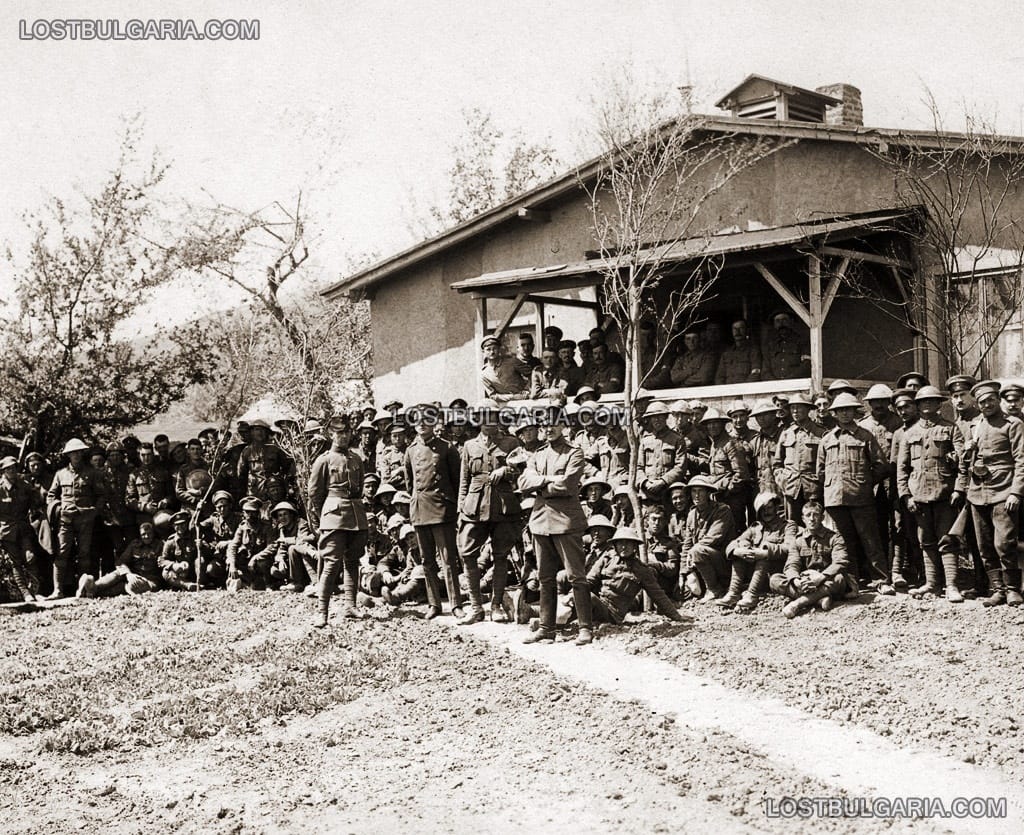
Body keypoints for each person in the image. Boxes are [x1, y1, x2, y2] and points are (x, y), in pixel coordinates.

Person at [518, 408, 593, 645]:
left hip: (565, 521)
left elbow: (569, 486)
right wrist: (549, 481)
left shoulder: (574, 452)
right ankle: (546, 627)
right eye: (544, 425)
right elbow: (523, 482)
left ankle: (585, 628)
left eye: (553, 424)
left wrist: (539, 486)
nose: (548, 429)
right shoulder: (538, 454)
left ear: (564, 426)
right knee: (545, 577)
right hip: (540, 521)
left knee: (575, 576)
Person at [817, 392, 893, 595]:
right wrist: (833, 486)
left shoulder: (865, 435)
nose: (844, 414)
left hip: (860, 496)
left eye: (848, 409)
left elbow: (880, 466)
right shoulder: (826, 440)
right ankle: (852, 583)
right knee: (844, 543)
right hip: (835, 499)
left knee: (870, 540)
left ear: (854, 412)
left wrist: (864, 483)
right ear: (834, 413)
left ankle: (881, 580)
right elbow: (821, 472)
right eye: (840, 410)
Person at [957, 380, 1024, 607]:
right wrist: (967, 452)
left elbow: (1021, 461)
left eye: (990, 400)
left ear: (998, 400)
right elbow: (967, 462)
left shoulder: (1012, 424)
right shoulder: (975, 426)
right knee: (984, 544)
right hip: (978, 492)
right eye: (982, 402)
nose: (987, 405)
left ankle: (1013, 589)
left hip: (1004, 489)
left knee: (1004, 542)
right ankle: (998, 589)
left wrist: (1016, 492)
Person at [896, 386, 964, 602]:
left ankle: (951, 586)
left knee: (947, 540)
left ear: (938, 405)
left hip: (944, 494)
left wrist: (959, 489)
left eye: (931, 402)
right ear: (917, 406)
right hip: (919, 496)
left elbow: (963, 463)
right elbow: (902, 469)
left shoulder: (951, 429)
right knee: (925, 540)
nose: (927, 406)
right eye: (923, 402)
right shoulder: (909, 433)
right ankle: (932, 584)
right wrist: (906, 496)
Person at [456, 400, 522, 624]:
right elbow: (464, 480)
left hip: (503, 506)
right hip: (474, 506)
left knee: (500, 555)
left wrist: (506, 470)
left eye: (493, 415)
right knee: (467, 553)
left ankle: (496, 605)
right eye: (484, 415)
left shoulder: (511, 442)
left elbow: (523, 472)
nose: (489, 420)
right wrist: (460, 508)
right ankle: (476, 607)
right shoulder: (469, 446)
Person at [308, 416, 370, 626]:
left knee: (353, 562)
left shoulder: (356, 459)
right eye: (339, 433)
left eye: (346, 432)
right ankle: (321, 610)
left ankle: (350, 606)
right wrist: (323, 518)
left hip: (356, 516)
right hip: (333, 518)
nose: (343, 437)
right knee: (331, 564)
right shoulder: (323, 460)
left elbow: (359, 488)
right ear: (330, 434)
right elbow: (315, 494)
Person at [404, 405, 463, 619]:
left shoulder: (447, 448)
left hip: (441, 508)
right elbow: (410, 483)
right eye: (418, 420)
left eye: (426, 420)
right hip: (420, 510)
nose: (422, 424)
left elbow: (457, 482)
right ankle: (434, 604)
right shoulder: (410, 451)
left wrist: (454, 508)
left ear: (434, 422)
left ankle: (455, 603)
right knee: (427, 560)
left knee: (448, 559)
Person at [584, 527, 687, 625]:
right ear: (615, 545)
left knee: (587, 597)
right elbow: (589, 580)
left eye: (628, 543)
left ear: (634, 546)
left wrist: (677, 617)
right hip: (597, 606)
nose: (624, 547)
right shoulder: (607, 559)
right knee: (580, 593)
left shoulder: (641, 570)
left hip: (612, 615)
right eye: (620, 543)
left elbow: (659, 596)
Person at [47, 438, 107, 598]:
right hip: (65, 520)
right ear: (68, 455)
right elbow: (51, 496)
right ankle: (58, 590)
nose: (76, 455)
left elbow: (101, 496)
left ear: (82, 453)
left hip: (85, 519)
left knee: (84, 554)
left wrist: (92, 512)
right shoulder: (60, 474)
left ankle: (83, 590)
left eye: (79, 452)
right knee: (62, 552)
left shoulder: (92, 473)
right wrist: (59, 510)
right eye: (73, 452)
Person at [769, 501, 852, 617]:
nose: (812, 519)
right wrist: (797, 582)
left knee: (839, 579)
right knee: (775, 579)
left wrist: (820, 577)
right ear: (803, 519)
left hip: (826, 579)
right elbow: (792, 565)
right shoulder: (798, 540)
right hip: (806, 583)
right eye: (808, 515)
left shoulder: (834, 537)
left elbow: (841, 562)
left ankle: (798, 603)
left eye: (815, 515)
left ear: (822, 517)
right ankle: (818, 599)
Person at [719, 492, 788, 613]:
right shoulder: (755, 527)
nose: (766, 512)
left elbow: (790, 548)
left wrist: (765, 553)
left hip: (775, 575)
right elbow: (734, 543)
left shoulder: (787, 526)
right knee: (740, 551)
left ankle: (752, 595)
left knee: (764, 555)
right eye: (763, 509)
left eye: (770, 507)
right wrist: (738, 550)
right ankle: (733, 593)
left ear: (777, 508)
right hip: (755, 576)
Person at [679, 475, 736, 601]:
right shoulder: (692, 514)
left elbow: (714, 538)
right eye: (694, 491)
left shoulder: (722, 510)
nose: (697, 495)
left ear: (708, 493)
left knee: (697, 551)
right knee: (681, 592)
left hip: (724, 563)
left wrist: (691, 553)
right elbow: (687, 544)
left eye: (701, 491)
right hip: (700, 564)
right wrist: (684, 572)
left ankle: (714, 589)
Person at [772, 392, 824, 522]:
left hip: (814, 489)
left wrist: (821, 482)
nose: (795, 411)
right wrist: (782, 480)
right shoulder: (786, 433)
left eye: (799, 407)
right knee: (792, 524)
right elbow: (777, 463)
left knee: (814, 523)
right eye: (792, 407)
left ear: (808, 409)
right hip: (791, 488)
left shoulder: (821, 432)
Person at [77, 521, 164, 598]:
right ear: (140, 535)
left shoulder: (160, 546)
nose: (146, 536)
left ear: (153, 534)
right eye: (143, 534)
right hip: (133, 575)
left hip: (149, 580)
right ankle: (93, 586)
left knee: (130, 586)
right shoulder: (135, 545)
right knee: (118, 573)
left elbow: (164, 563)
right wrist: (128, 574)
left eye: (149, 534)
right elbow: (121, 562)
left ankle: (92, 591)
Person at [0, 456, 39, 602]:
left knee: (30, 558)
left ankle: (35, 590)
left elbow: (36, 501)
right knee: (16, 562)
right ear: (3, 471)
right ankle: (25, 593)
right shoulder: (0, 488)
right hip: (7, 531)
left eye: (14, 468)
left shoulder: (24, 485)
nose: (11, 471)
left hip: (23, 528)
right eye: (8, 469)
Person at [226, 497, 273, 590]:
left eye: (253, 512)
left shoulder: (266, 527)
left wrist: (256, 558)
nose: (250, 515)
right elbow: (233, 546)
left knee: (262, 563)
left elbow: (271, 547)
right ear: (243, 513)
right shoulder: (242, 528)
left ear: (258, 513)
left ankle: (268, 584)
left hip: (260, 561)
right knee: (230, 561)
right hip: (247, 562)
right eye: (247, 512)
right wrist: (232, 565)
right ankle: (241, 582)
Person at [762, 310, 810, 380]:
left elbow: (806, 365)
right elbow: (765, 370)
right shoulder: (770, 345)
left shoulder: (801, 341)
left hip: (797, 385)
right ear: (774, 325)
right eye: (777, 321)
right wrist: (775, 383)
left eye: (784, 320)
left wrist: (789, 380)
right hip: (774, 386)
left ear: (791, 321)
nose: (781, 324)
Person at [481, 335, 530, 403]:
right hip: (505, 405)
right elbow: (492, 395)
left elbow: (533, 374)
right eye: (488, 349)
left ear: (499, 349)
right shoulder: (484, 373)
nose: (492, 352)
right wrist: (512, 397)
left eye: (494, 348)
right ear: (483, 351)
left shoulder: (512, 362)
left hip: (524, 400)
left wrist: (527, 390)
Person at [160, 511, 200, 591]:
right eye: (177, 525)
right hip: (180, 572)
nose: (180, 527)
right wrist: (174, 565)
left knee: (200, 561)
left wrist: (201, 546)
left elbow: (208, 553)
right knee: (165, 572)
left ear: (187, 524)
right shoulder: (170, 542)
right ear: (173, 526)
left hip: (194, 570)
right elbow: (162, 560)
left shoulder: (194, 536)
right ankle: (188, 585)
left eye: (183, 524)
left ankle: (200, 583)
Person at [715, 319, 763, 384]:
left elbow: (755, 373)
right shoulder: (726, 354)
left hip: (746, 390)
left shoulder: (754, 351)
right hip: (728, 391)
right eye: (734, 329)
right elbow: (719, 377)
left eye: (741, 328)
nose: (737, 331)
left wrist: (743, 389)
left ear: (747, 330)